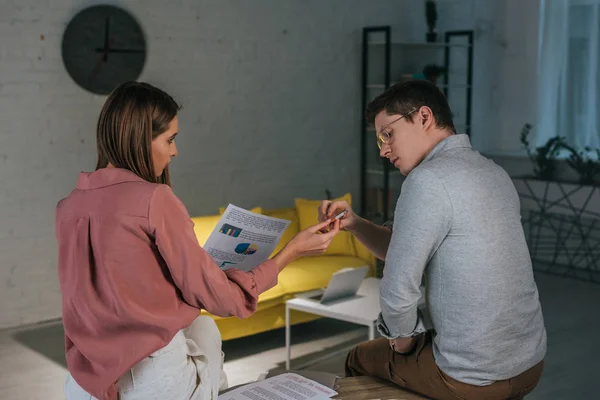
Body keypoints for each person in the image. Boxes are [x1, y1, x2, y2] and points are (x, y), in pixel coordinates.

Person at [57, 81, 341, 400]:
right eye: (170, 139)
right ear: (140, 139)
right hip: (151, 380)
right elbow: (224, 302)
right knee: (206, 329)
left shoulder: (69, 207)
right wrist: (291, 252)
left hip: (84, 385)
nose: (175, 150)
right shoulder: (154, 200)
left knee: (197, 331)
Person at [318, 80, 547, 400]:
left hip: (473, 375)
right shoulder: (493, 172)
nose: (383, 150)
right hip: (529, 362)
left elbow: (397, 288)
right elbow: (404, 250)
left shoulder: (427, 180)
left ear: (423, 117)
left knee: (359, 358)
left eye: (387, 134)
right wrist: (355, 224)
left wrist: (403, 339)